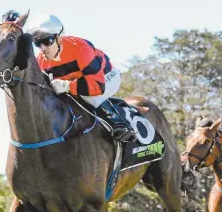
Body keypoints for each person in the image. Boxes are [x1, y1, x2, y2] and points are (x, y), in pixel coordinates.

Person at [23, 13, 138, 143]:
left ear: (59, 38)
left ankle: (120, 125)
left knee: (87, 96)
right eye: (38, 43)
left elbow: (97, 86)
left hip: (106, 77)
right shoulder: (41, 61)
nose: (42, 48)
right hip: (79, 82)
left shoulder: (81, 48)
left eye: (47, 41)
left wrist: (66, 86)